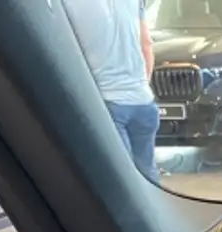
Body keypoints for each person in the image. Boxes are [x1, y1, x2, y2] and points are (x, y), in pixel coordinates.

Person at [60, 0, 160, 183]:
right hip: (144, 103)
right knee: (147, 174)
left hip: (106, 103)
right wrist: (141, 84)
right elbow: (146, 44)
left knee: (119, 178)